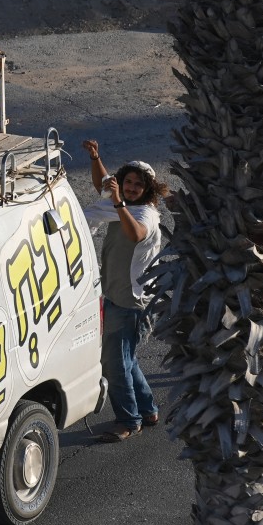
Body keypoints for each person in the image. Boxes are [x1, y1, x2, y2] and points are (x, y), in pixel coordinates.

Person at [81, 139, 169, 443]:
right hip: (116, 295)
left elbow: (135, 235)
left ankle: (129, 420)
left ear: (149, 190)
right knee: (126, 358)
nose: (130, 188)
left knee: (114, 362)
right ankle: (147, 409)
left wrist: (119, 202)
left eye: (137, 185)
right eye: (127, 182)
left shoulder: (144, 214)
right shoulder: (121, 202)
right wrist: (96, 158)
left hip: (132, 302)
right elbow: (103, 184)